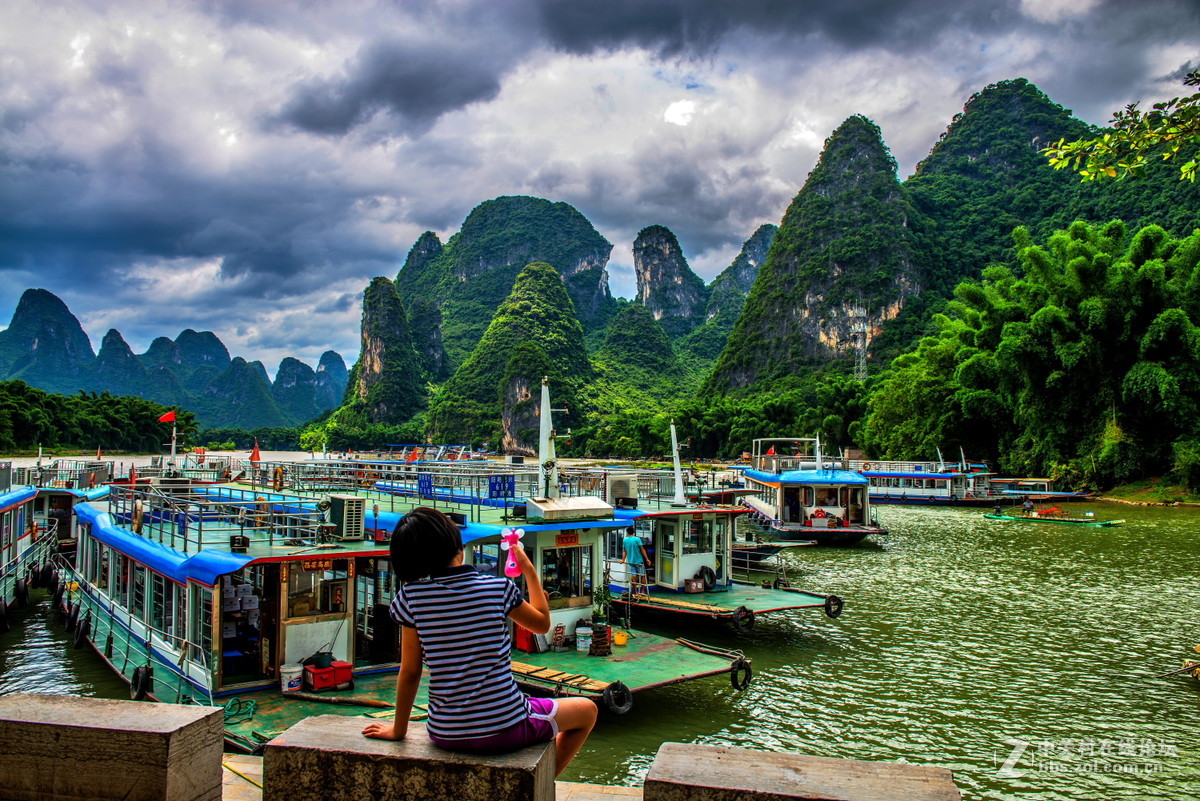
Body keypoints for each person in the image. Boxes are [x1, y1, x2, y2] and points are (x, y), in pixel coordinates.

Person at [363, 507, 596, 776]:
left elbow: (411, 671)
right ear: (457, 548)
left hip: (444, 731)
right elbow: (542, 623)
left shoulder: (410, 598)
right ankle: (536, 786)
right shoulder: (497, 589)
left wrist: (398, 730)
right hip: (505, 725)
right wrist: (529, 570)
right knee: (587, 710)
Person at [620, 528, 650, 597]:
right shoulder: (637, 539)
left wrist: (623, 559)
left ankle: (636, 592)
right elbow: (642, 549)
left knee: (634, 576)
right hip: (639, 561)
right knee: (642, 575)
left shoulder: (625, 540)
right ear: (633, 532)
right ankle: (642, 591)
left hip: (631, 561)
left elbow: (625, 551)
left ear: (627, 532)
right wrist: (647, 559)